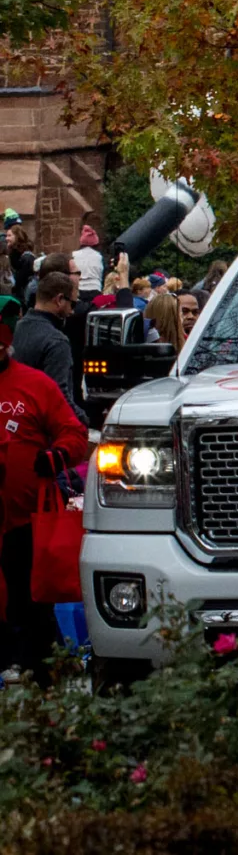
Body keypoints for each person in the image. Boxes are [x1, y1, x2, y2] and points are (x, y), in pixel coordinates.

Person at [0, 295, 87, 673]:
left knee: (32, 607)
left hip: (24, 523)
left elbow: (76, 435)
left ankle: (44, 680)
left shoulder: (34, 385)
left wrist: (55, 457)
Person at [10, 270, 78, 408]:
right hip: (39, 423)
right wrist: (82, 422)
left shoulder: (12, 331)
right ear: (59, 300)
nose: (72, 311)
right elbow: (59, 398)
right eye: (72, 304)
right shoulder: (57, 342)